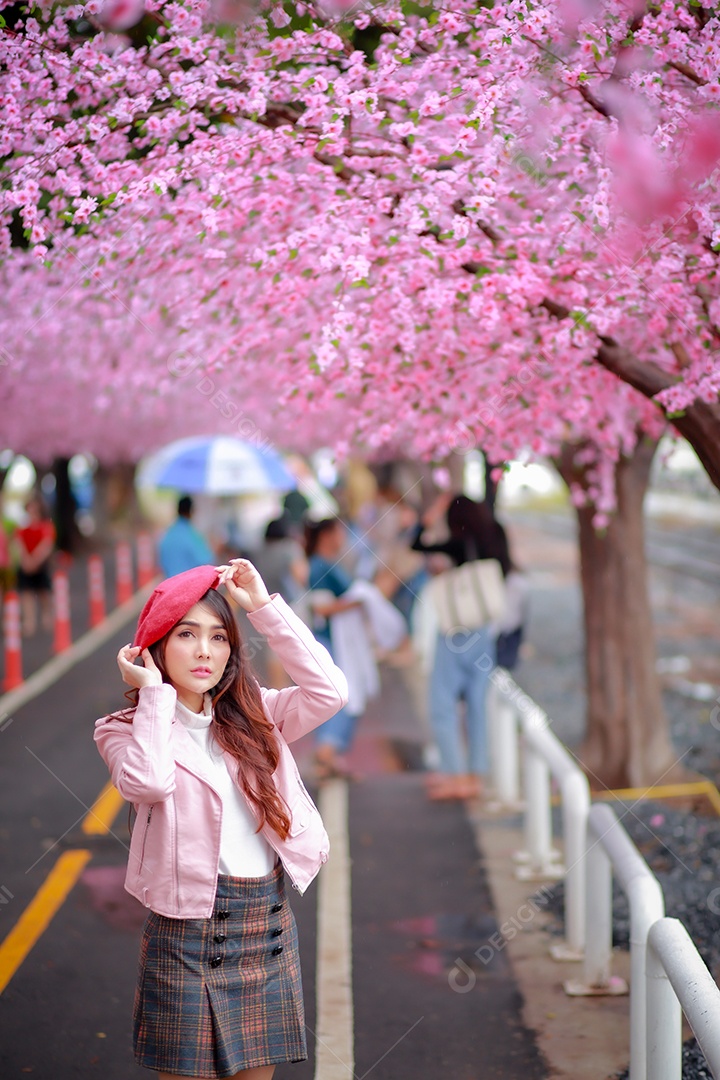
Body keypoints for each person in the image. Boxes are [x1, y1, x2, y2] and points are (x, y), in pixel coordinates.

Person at [94, 559, 348, 1080]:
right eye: (187, 635)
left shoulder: (257, 715)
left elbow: (330, 692)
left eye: (218, 637)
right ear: (156, 646)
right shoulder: (122, 730)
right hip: (187, 932)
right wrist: (156, 696)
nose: (205, 651)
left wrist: (262, 607)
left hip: (265, 925)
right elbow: (147, 782)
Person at [411, 493, 514, 802]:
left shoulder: (458, 542)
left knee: (442, 704)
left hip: (456, 631)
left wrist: (429, 516)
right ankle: (475, 777)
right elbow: (504, 572)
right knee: (477, 706)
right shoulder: (496, 534)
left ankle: (455, 774)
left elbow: (417, 545)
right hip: (484, 629)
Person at [304, 517, 366, 781]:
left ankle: (330, 756)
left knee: (339, 693)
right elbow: (320, 607)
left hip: (337, 640)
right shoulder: (320, 566)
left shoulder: (326, 564)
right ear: (327, 535)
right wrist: (357, 602)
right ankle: (327, 751)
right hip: (331, 641)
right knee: (340, 694)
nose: (343, 537)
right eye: (340, 532)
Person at [15, 494, 55, 635]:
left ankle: (47, 616)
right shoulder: (22, 528)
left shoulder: (45, 526)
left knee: (43, 592)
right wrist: (26, 559)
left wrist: (35, 560)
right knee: (26, 593)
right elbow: (19, 545)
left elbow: (46, 545)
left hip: (40, 565)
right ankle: (29, 621)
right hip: (27, 564)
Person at [158, 495, 215, 578]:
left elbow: (162, 564)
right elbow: (206, 561)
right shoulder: (192, 535)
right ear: (191, 511)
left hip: (170, 585)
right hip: (190, 585)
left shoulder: (168, 535)